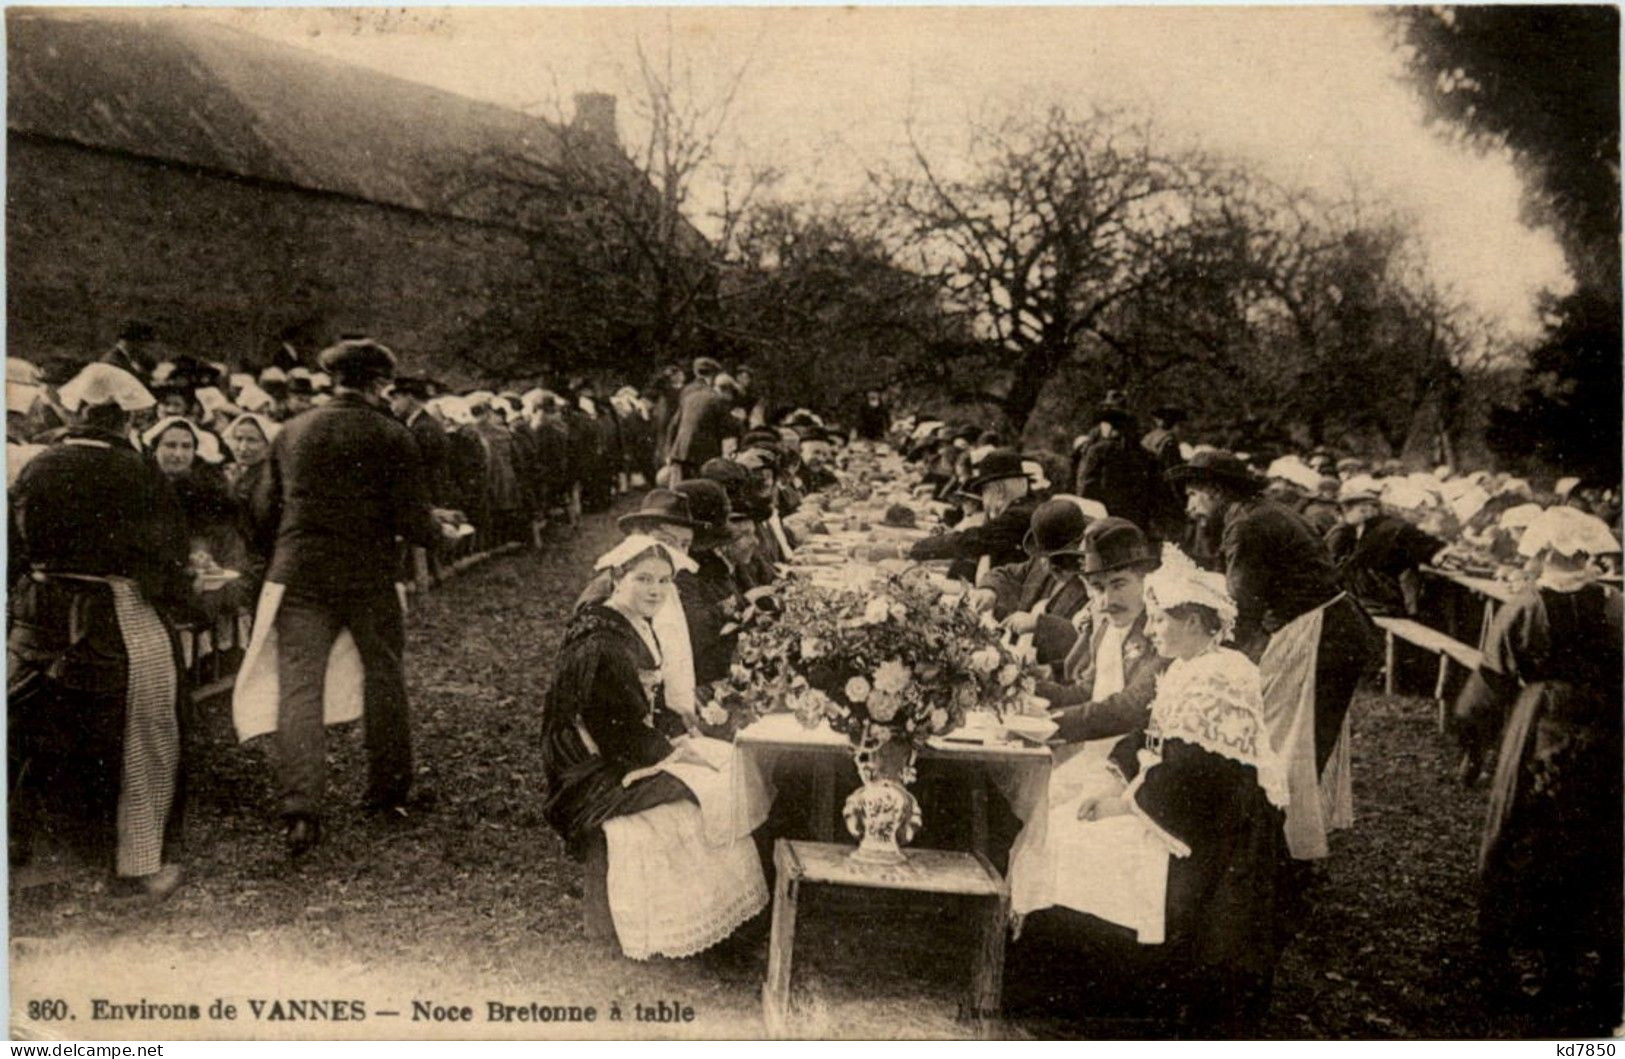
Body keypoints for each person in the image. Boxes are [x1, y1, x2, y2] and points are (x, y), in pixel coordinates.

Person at [1008, 544, 1288, 1037]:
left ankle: (1107, 987)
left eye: (1162, 621)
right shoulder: (1185, 666)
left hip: (1211, 836)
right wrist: (1114, 776)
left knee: (1081, 846)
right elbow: (1148, 736)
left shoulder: (1224, 675)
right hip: (1176, 804)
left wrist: (1123, 804)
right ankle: (1064, 975)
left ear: (1198, 623)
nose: (1153, 630)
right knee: (1061, 822)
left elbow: (1200, 777)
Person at [248, 339, 440, 858]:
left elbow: (264, 510)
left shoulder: (291, 431)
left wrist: (283, 554)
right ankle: (387, 790)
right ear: (379, 384)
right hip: (368, 574)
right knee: (383, 674)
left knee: (299, 687)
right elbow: (413, 520)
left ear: (334, 380)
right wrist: (444, 533)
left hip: (301, 572)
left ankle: (301, 810)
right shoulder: (391, 434)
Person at [8, 363, 190, 898]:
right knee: (149, 729)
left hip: (38, 613)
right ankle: (138, 866)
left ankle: (29, 858)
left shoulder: (37, 466)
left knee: (27, 730)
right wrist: (184, 600)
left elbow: (14, 547)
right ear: (123, 421)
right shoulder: (139, 472)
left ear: (78, 412)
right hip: (115, 613)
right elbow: (166, 557)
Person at [542, 536, 769, 959]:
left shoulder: (637, 625)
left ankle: (723, 917)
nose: (655, 590)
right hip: (591, 768)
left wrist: (682, 738)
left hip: (625, 749)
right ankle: (689, 923)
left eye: (664, 582)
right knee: (710, 788)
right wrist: (673, 754)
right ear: (616, 579)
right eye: (643, 579)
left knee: (732, 766)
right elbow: (615, 730)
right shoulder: (601, 640)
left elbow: (655, 702)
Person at [1451, 507, 1622, 1017]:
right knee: (1593, 829)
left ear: (1545, 554)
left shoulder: (1525, 606)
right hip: (1602, 725)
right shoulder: (1616, 607)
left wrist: (1472, 744)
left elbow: (1490, 681)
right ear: (1585, 556)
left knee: (1523, 825)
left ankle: (1520, 954)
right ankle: (1582, 956)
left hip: (1539, 718)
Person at [1168, 450, 1378, 860]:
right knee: (1296, 737)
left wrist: (1208, 658)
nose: (1191, 506)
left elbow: (1240, 606)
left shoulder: (1247, 526)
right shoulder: (1262, 512)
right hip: (1329, 625)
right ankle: (1286, 849)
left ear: (1216, 491)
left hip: (1322, 632)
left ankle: (1281, 855)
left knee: (1290, 739)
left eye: (1195, 495)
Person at [1032, 518, 1170, 743]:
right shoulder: (1105, 627)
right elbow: (1088, 690)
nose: (1107, 601)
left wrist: (1048, 721)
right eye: (1098, 588)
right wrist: (1026, 688)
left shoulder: (1163, 633)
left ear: (1145, 579)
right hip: (1099, 743)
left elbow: (1128, 708)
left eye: (1119, 584)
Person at [864, 449, 1039, 578]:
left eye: (984, 491)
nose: (983, 501)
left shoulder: (1017, 516)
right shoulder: (1026, 508)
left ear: (999, 491)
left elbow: (969, 541)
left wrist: (910, 549)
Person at [1325, 476, 1446, 618]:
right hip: (1377, 600)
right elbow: (1433, 552)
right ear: (1402, 509)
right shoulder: (1399, 528)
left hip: (1359, 595)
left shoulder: (1372, 526)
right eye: (1418, 509)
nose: (1423, 514)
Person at [1078, 404, 1168, 538]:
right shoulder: (1146, 455)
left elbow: (1086, 488)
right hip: (1136, 524)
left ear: (1110, 427)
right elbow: (1156, 494)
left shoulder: (1098, 451)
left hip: (1103, 523)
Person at [664, 358, 735, 483]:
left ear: (696, 373)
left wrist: (669, 451)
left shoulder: (686, 392)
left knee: (679, 492)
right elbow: (728, 429)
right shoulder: (715, 397)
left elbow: (674, 423)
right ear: (713, 376)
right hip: (703, 454)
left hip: (680, 451)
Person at [389, 376, 452, 507]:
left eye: (396, 399)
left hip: (430, 499)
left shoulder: (424, 428)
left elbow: (425, 471)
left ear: (410, 398)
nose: (392, 405)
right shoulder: (422, 425)